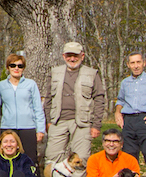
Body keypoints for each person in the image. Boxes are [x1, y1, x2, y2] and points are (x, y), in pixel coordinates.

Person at [44, 41, 107, 169]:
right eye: (69, 55)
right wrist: (48, 121)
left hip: (82, 123)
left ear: (82, 56)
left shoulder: (92, 74)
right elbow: (48, 98)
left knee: (81, 158)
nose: (72, 59)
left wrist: (96, 125)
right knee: (52, 156)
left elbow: (99, 100)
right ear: (63, 56)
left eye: (75, 56)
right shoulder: (55, 72)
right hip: (58, 121)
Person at [0, 54, 45, 172]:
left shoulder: (31, 84)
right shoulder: (1, 85)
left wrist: (40, 130)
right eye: (13, 65)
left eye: (20, 65)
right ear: (8, 67)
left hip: (28, 127)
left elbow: (37, 107)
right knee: (9, 158)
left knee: (30, 158)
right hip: (8, 127)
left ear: (23, 68)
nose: (16, 68)